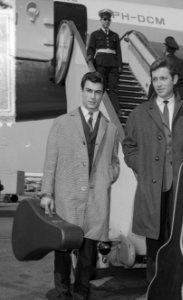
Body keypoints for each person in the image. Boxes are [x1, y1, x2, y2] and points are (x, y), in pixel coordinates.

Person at [40, 71, 120, 300]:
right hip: (67, 196)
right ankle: (62, 292)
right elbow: (50, 160)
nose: (93, 97)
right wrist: (47, 192)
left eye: (98, 92)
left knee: (88, 253)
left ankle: (81, 293)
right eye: (89, 91)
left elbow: (114, 161)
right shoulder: (62, 123)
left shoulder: (111, 129)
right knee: (63, 249)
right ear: (82, 91)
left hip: (96, 200)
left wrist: (109, 175)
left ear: (102, 94)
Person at [122, 57, 183, 284]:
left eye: (163, 78)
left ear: (175, 79)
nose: (159, 83)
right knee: (154, 248)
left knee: (180, 245)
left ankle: (178, 291)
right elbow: (129, 146)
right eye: (155, 79)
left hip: (182, 190)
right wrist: (142, 167)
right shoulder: (138, 114)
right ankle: (155, 291)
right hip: (152, 191)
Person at [87, 9, 122, 115]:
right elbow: (91, 48)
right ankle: (100, 108)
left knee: (113, 88)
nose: (107, 22)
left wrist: (119, 65)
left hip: (113, 64)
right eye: (105, 19)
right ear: (101, 20)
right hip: (100, 63)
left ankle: (116, 110)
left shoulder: (115, 35)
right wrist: (89, 56)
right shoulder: (95, 34)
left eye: (108, 20)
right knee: (101, 86)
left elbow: (118, 52)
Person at [148, 36, 183, 100]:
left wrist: (149, 99)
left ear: (165, 48)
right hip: (181, 97)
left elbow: (153, 84)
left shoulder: (158, 63)